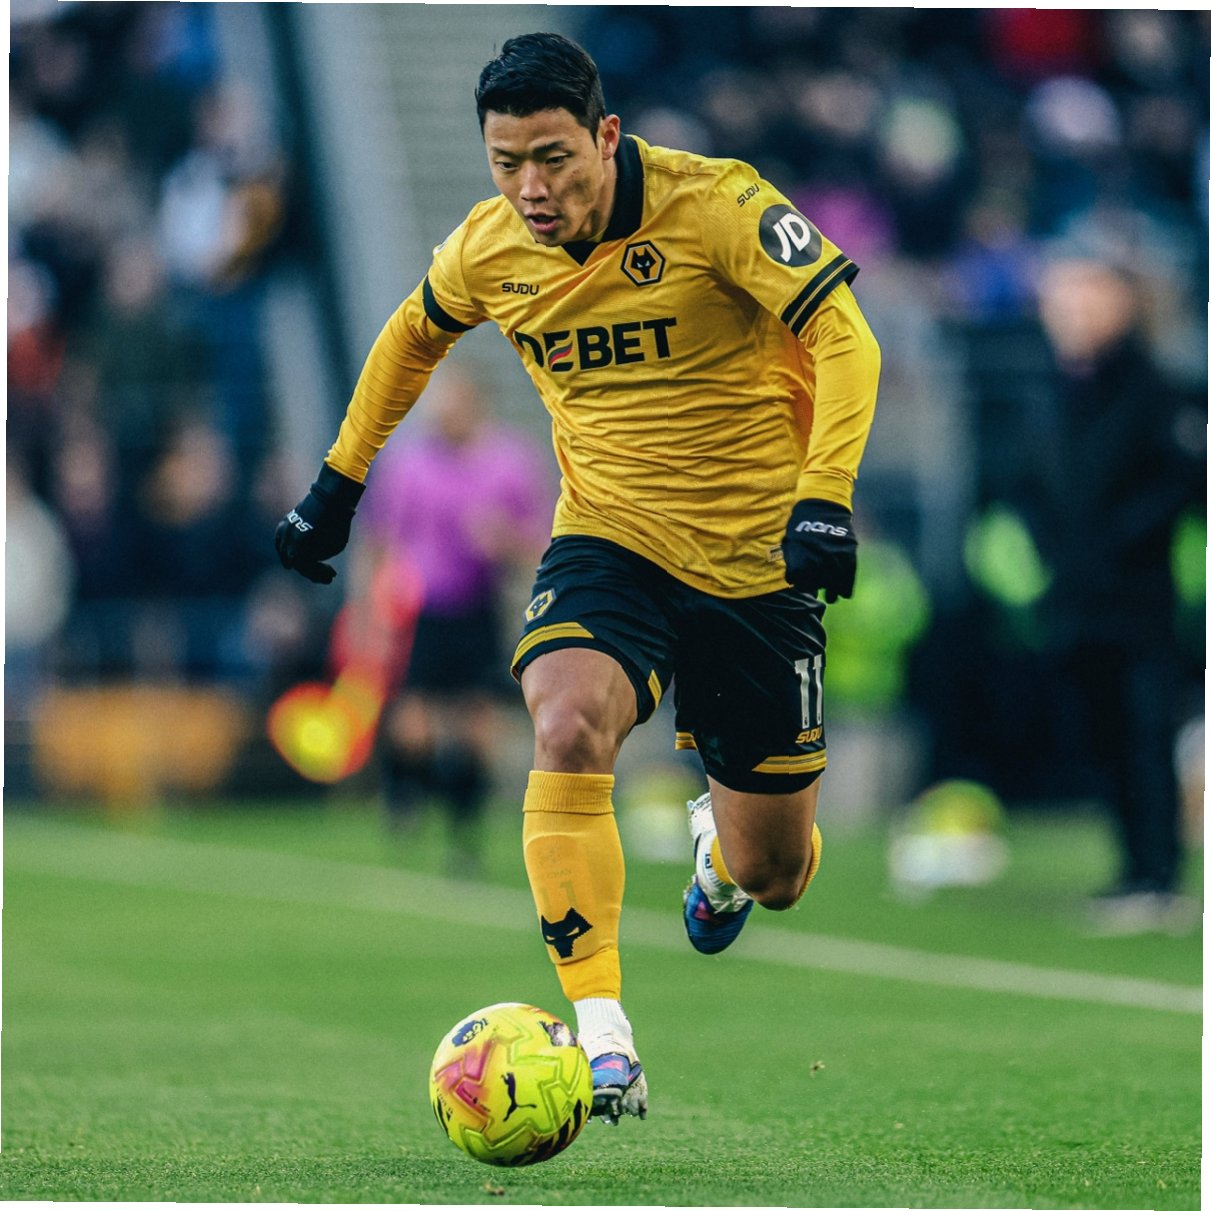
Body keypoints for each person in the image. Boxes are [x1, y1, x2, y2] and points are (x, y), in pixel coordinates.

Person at [277, 32, 880, 1123]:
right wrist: (337, 483)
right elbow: (410, 340)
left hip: (755, 562)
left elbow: (844, 338)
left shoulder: (718, 206)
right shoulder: (489, 247)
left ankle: (719, 851)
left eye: (551, 158)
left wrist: (824, 494)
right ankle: (603, 1038)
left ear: (605, 136)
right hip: (610, 540)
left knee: (776, 872)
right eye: (505, 163)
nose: (531, 189)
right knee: (561, 724)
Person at [1031, 255, 1202, 934]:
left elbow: (1179, 487)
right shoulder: (1060, 390)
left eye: (1084, 301)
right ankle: (1133, 869)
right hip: (1079, 601)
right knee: (1104, 733)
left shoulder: (1157, 391)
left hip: (1139, 600)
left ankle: (1156, 875)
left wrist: (1111, 546)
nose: (1068, 315)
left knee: (1143, 733)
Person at [353, 365, 552, 875]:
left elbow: (541, 544)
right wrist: (369, 610)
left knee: (476, 728)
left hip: (478, 607)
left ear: (475, 406)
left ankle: (465, 838)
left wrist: (503, 540)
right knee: (413, 726)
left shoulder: (508, 463)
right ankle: (405, 793)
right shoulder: (409, 465)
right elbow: (379, 540)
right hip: (422, 609)